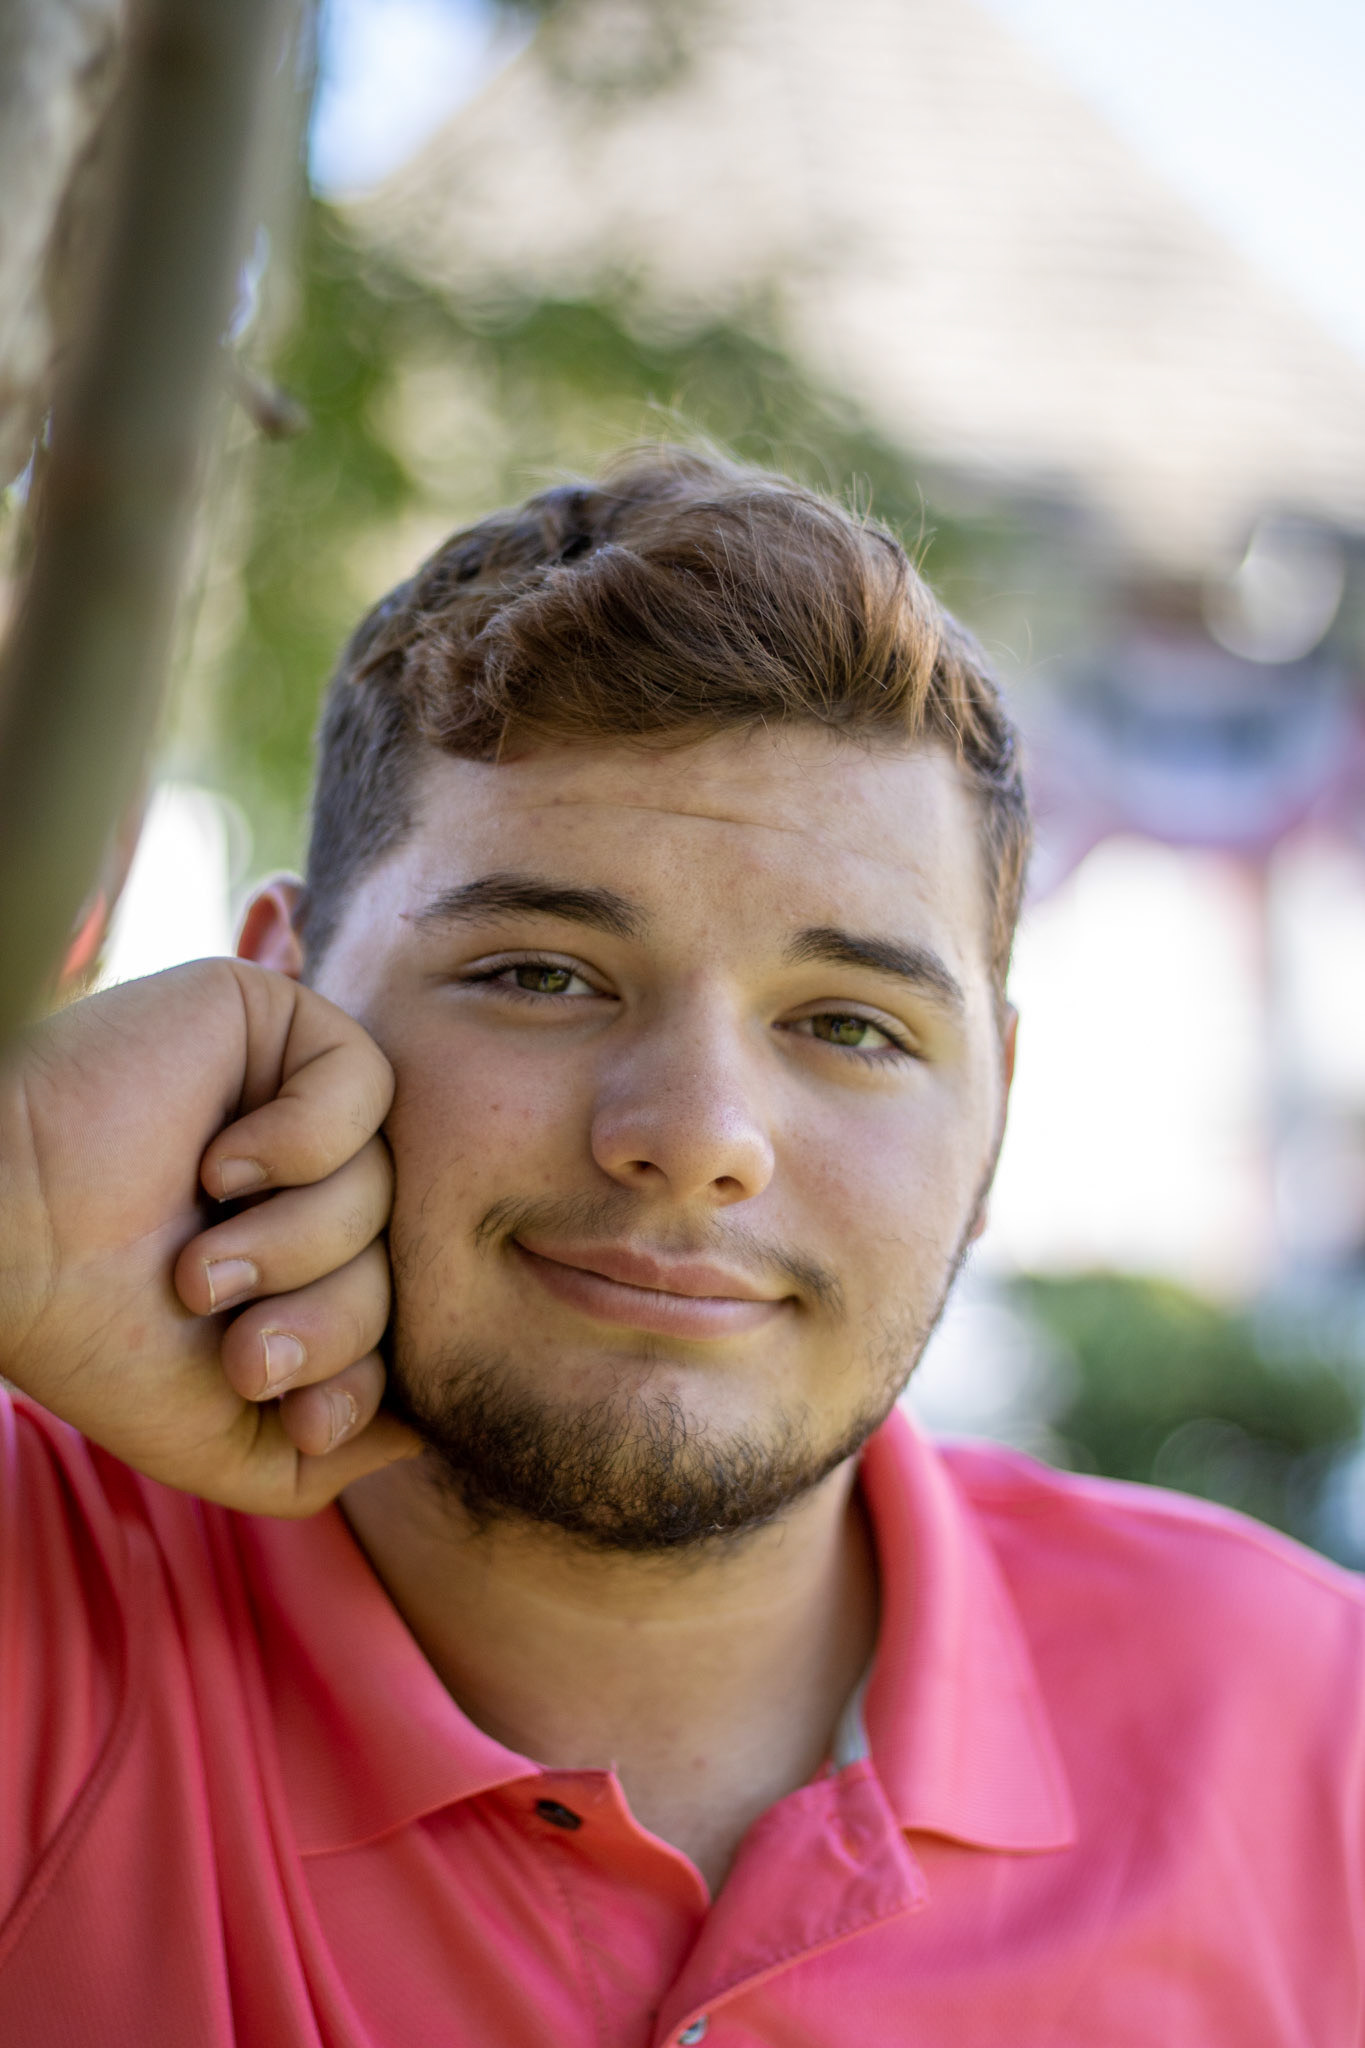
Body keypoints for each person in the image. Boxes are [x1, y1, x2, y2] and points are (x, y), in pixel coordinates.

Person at [1, 450, 1362, 2048]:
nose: (700, 1134)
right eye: (541, 975)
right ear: (278, 992)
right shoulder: (36, 1588)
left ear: (994, 1116)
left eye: (847, 1025)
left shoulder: (1310, 1733)